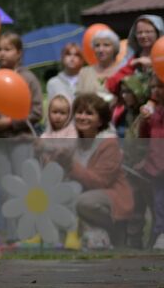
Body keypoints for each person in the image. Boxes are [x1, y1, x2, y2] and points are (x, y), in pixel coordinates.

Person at [0, 32, 43, 244]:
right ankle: (13, 235)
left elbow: (36, 112)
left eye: (7, 49)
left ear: (19, 53)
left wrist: (12, 121)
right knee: (5, 188)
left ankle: (30, 233)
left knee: (24, 186)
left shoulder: (28, 78)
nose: (1, 54)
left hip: (21, 141)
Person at [51, 94, 133, 250]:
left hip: (108, 195)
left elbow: (101, 182)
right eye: (79, 112)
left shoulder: (109, 143)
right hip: (79, 192)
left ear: (100, 121)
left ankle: (115, 230)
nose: (82, 117)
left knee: (84, 202)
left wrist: (70, 165)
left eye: (89, 113)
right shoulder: (71, 139)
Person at [133, 76, 164, 249]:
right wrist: (144, 120)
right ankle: (160, 233)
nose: (155, 91)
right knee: (158, 202)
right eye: (153, 87)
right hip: (156, 166)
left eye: (160, 86)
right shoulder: (153, 112)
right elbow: (144, 138)